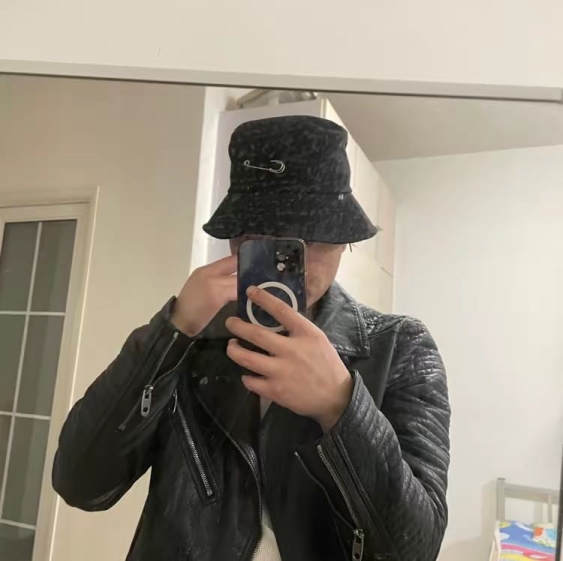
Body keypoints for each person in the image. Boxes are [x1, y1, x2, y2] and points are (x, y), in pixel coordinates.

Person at [52, 116, 451, 561]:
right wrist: (172, 331)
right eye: (262, 238)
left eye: (312, 238)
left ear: (344, 243)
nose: (290, 263)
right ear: (237, 241)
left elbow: (415, 549)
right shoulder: (193, 342)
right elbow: (80, 483)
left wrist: (341, 407)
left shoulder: (399, 348)